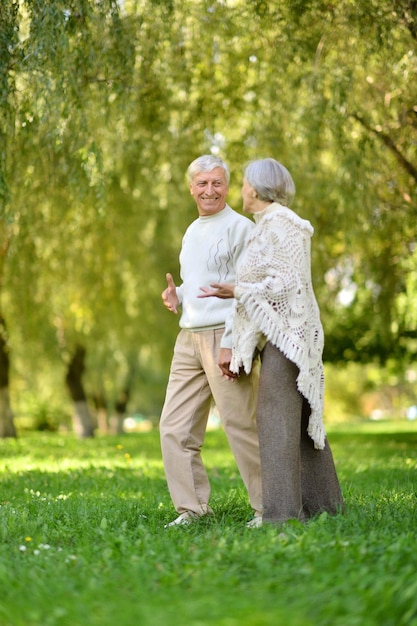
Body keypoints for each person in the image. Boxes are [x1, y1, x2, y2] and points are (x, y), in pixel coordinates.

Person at [199, 157, 344, 526]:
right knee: (296, 423)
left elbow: (287, 284)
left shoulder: (284, 225)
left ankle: (280, 517)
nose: (242, 189)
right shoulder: (265, 226)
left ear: (257, 188)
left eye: (245, 182)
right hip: (279, 337)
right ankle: (325, 507)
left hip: (289, 337)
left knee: (275, 422)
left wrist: (238, 289)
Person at [159, 154, 262, 527]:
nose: (209, 190)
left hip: (225, 335)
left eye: (216, 182)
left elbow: (245, 291)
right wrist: (179, 296)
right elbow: (201, 285)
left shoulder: (240, 228)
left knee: (241, 424)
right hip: (189, 338)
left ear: (228, 187)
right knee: (174, 426)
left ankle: (268, 508)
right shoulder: (191, 231)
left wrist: (233, 342)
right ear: (191, 188)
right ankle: (192, 508)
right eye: (202, 184)